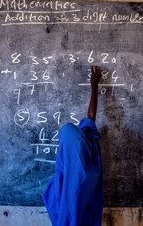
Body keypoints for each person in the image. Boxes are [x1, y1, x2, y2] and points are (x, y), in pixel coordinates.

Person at [43, 66, 104, 226]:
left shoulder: (67, 174)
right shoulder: (89, 146)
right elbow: (91, 117)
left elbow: (55, 199)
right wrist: (94, 86)